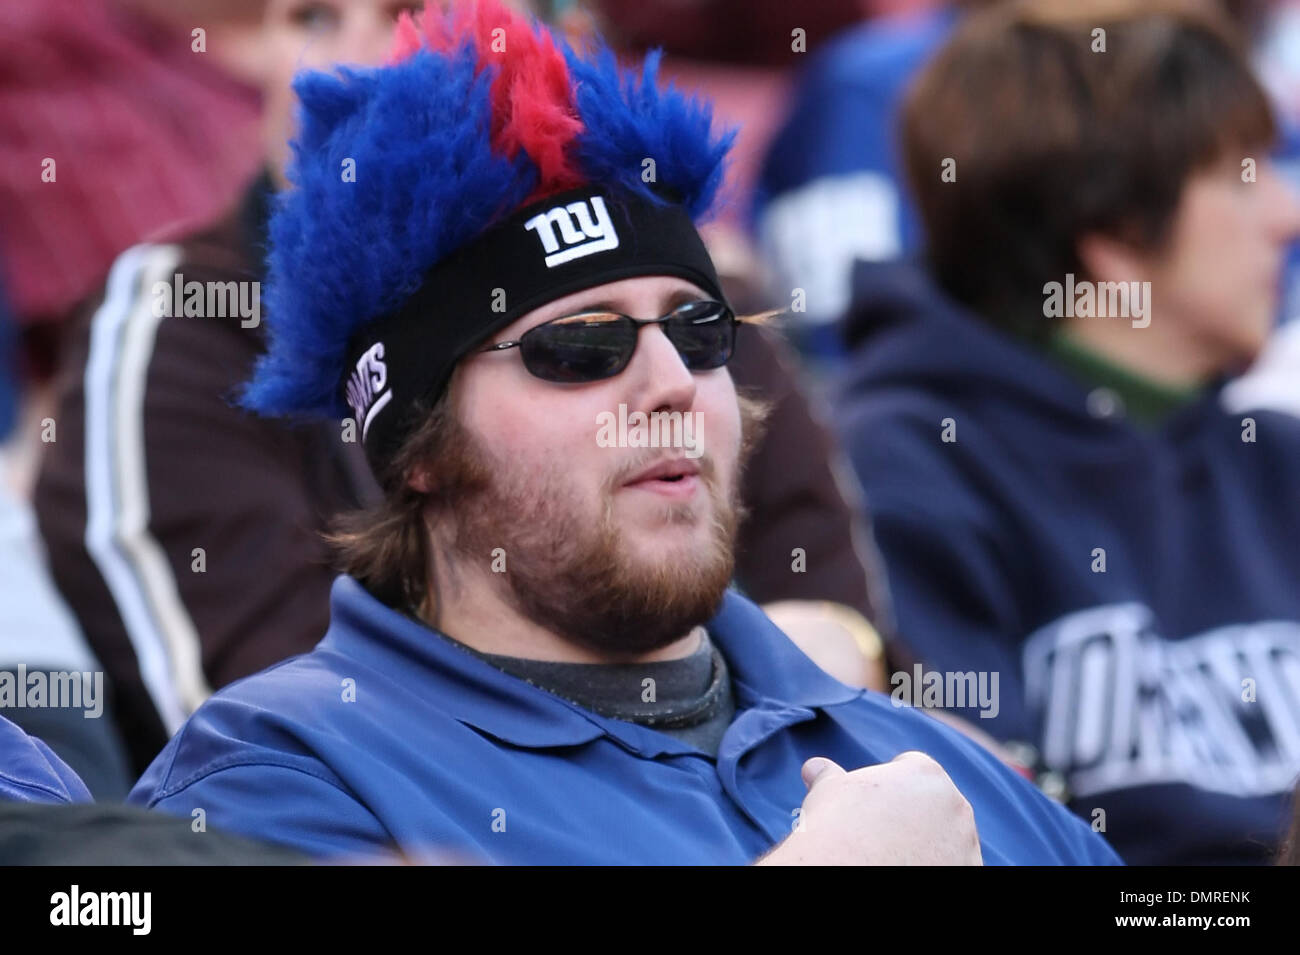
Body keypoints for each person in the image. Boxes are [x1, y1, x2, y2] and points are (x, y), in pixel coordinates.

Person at [127, 0, 1120, 866]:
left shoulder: (926, 768)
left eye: (700, 331)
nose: (671, 381)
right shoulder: (282, 777)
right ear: (418, 445)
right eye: (578, 347)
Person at [834, 0, 1300, 864]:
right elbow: (984, 835)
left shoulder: (1277, 457)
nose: (1286, 214)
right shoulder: (900, 466)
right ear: (1119, 231)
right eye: (1245, 174)